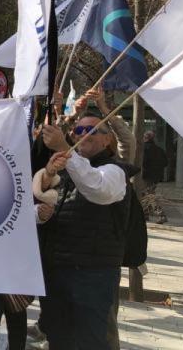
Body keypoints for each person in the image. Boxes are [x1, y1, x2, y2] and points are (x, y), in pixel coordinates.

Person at [37, 113, 137, 349]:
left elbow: (97, 188)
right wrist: (48, 178)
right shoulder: (67, 167)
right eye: (78, 131)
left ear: (107, 140)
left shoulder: (116, 171)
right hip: (58, 270)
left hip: (93, 274)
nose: (83, 135)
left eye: (91, 130)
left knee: (91, 340)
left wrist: (64, 147)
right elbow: (43, 199)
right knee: (58, 337)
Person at [141, 131, 168, 224]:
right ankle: (145, 214)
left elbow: (143, 162)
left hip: (146, 175)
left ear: (145, 138)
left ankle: (161, 214)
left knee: (149, 195)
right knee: (146, 195)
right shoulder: (159, 149)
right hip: (156, 176)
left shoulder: (144, 149)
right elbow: (166, 163)